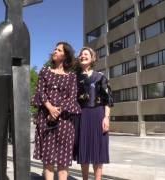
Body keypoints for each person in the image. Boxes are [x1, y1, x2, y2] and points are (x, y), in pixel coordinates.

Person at [32, 42, 81, 180]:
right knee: (48, 159)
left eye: (59, 50)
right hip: (45, 119)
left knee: (63, 159)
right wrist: (50, 108)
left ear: (65, 56)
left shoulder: (72, 76)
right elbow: (40, 92)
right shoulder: (45, 71)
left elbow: (72, 97)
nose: (55, 51)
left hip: (65, 120)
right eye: (55, 49)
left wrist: (57, 111)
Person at [74, 47, 113, 180]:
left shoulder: (100, 77)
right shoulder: (75, 78)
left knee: (98, 150)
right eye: (81, 54)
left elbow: (108, 99)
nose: (82, 56)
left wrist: (106, 118)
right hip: (81, 116)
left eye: (86, 54)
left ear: (92, 58)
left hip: (98, 115)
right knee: (83, 149)